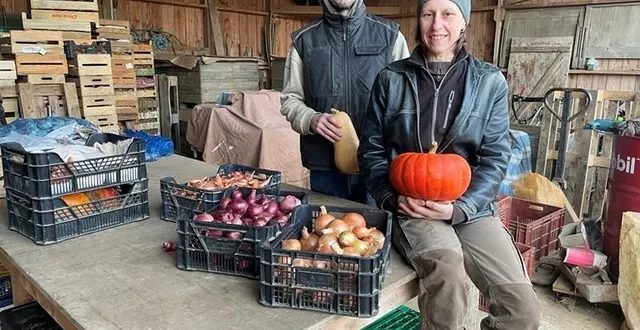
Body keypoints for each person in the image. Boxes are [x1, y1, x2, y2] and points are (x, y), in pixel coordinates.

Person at [357, 0, 543, 329]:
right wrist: (391, 198)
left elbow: (496, 156)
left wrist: (462, 209)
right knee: (449, 280)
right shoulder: (391, 79)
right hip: (413, 205)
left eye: (448, 13)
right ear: (419, 20)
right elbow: (371, 150)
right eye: (428, 14)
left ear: (463, 23)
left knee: (522, 311)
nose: (436, 24)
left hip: (471, 208)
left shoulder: (489, 82)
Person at [279, 0, 410, 205]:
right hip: (325, 170)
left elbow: (406, 101)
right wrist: (311, 119)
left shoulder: (391, 36)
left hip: (378, 167)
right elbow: (290, 99)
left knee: (376, 234)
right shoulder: (303, 41)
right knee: (326, 233)